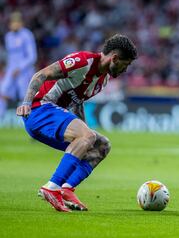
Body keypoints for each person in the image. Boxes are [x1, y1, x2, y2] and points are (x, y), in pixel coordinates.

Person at [16, 34, 137, 212]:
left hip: (52, 117)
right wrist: (26, 103)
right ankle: (51, 187)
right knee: (87, 136)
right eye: (125, 65)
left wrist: (87, 136)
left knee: (101, 145)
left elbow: (76, 103)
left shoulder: (101, 82)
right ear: (115, 58)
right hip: (39, 109)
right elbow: (40, 74)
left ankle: (67, 188)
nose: (125, 70)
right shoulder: (83, 61)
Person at [0, 12, 37, 118]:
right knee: (3, 92)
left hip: (24, 70)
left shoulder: (27, 35)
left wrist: (20, 68)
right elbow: (11, 56)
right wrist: (8, 69)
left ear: (21, 23)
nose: (14, 25)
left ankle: (25, 121)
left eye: (16, 22)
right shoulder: (8, 36)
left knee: (24, 96)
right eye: (12, 22)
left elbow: (32, 56)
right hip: (11, 69)